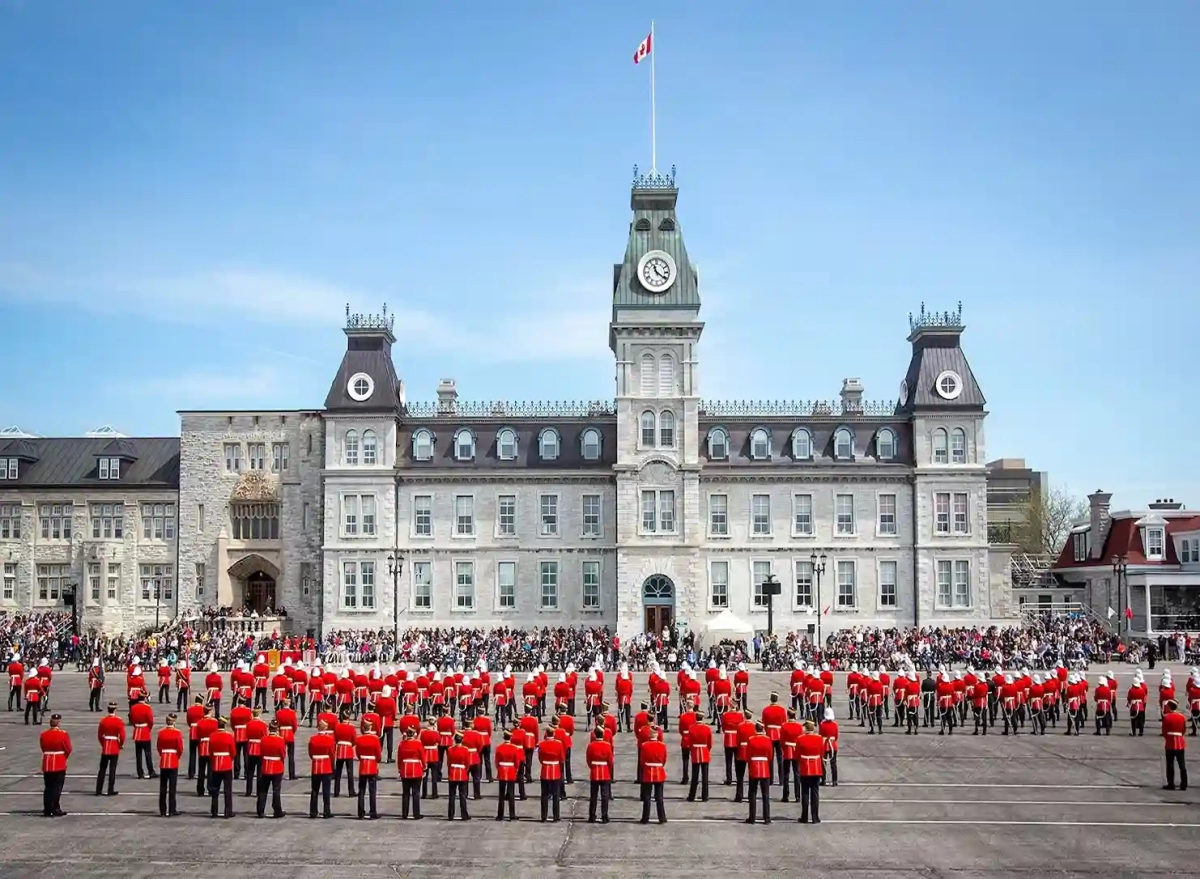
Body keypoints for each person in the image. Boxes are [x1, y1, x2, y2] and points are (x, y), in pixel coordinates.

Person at [39, 712, 71, 817]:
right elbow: (68, 749)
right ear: (58, 723)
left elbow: (43, 748)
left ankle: (47, 808)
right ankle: (55, 807)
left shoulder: (44, 734)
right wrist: (63, 757)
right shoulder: (63, 734)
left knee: (48, 787)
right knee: (57, 787)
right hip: (59, 762)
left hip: (47, 762)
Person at [795, 720, 824, 824]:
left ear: (806, 729)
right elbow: (822, 753)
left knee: (805, 793)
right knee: (815, 794)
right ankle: (815, 817)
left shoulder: (800, 739)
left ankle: (804, 816)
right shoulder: (819, 738)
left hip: (805, 768)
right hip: (816, 768)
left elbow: (797, 754)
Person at [257, 720, 287, 819]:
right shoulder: (280, 740)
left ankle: (260, 810)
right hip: (277, 767)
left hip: (266, 766)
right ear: (277, 729)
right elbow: (283, 754)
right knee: (276, 790)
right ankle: (277, 809)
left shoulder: (263, 739)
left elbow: (261, 753)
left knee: (263, 790)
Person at [156, 713, 184, 817]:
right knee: (172, 787)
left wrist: (162, 755)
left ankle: (163, 810)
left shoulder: (161, 733)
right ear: (174, 722)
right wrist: (177, 757)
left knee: (163, 787)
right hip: (173, 759)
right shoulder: (177, 733)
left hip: (164, 760)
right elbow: (180, 748)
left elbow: (158, 746)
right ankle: (172, 809)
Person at [207, 718, 236, 819]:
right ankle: (228, 811)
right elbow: (233, 752)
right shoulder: (229, 736)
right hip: (226, 764)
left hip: (216, 764)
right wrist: (229, 758)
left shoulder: (212, 736)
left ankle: (214, 811)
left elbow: (210, 751)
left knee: (215, 790)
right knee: (228, 790)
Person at [745, 722, 773, 824]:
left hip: (754, 766)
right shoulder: (768, 739)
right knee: (765, 794)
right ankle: (767, 818)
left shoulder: (751, 739)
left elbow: (748, 754)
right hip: (764, 766)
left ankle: (752, 818)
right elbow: (770, 755)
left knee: (752, 793)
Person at [95, 702, 126, 796]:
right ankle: (110, 789)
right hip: (114, 746)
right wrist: (120, 744)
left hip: (106, 746)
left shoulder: (103, 720)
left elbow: (100, 735)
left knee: (102, 769)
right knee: (112, 769)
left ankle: (98, 789)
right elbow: (122, 735)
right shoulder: (118, 721)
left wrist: (103, 744)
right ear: (115, 710)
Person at [638, 726, 667, 824]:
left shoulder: (644, 745)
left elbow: (642, 760)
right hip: (659, 771)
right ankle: (661, 818)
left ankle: (645, 818)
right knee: (659, 797)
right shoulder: (662, 745)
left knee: (647, 797)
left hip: (648, 771)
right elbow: (664, 760)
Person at [585, 726, 613, 823]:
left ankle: (592, 816)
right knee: (605, 796)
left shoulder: (591, 746)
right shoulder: (607, 745)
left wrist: (592, 767)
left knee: (593, 795)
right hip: (604, 771)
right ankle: (604, 816)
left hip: (595, 771)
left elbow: (588, 760)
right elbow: (610, 761)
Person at [308, 718, 335, 819]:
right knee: (326, 790)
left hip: (316, 766)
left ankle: (313, 811)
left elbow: (310, 753)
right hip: (326, 766)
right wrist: (332, 765)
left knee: (314, 790)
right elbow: (332, 754)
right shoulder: (329, 739)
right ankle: (326, 811)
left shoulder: (313, 739)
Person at [355, 718, 382, 819]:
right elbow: (378, 754)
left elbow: (357, 753)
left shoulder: (359, 739)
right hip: (372, 765)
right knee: (372, 791)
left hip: (363, 765)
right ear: (370, 727)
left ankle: (360, 812)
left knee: (361, 791)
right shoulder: (375, 739)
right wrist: (377, 760)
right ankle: (372, 811)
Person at [537, 727, 565, 822]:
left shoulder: (542, 744)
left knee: (544, 795)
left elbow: (540, 758)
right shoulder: (559, 744)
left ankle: (543, 816)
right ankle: (556, 816)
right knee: (556, 795)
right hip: (555, 770)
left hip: (545, 770)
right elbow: (561, 758)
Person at [493, 729, 522, 821]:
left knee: (501, 794)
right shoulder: (514, 748)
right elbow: (517, 762)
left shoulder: (499, 748)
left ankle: (500, 815)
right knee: (511, 794)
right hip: (510, 770)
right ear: (511, 737)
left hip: (502, 770)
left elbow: (496, 762)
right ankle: (512, 814)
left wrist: (499, 768)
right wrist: (516, 770)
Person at [397, 727, 425, 819]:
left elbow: (399, 758)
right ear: (414, 734)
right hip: (416, 769)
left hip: (405, 769)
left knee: (405, 793)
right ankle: (416, 814)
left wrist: (400, 768)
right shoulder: (418, 743)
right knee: (416, 793)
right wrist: (424, 767)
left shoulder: (402, 744)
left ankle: (404, 813)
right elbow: (422, 757)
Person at [686, 709, 713, 803]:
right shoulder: (707, 728)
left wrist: (692, 750)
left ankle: (691, 796)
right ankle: (705, 796)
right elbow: (710, 743)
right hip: (704, 751)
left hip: (695, 752)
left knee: (695, 776)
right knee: (705, 776)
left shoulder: (691, 728)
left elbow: (689, 742)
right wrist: (706, 749)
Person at [1162, 700, 1188, 791]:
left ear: (1169, 707)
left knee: (1170, 764)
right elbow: (1184, 730)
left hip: (1170, 742)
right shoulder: (1182, 717)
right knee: (1182, 764)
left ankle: (1171, 783)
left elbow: (1164, 731)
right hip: (1180, 742)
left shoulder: (1167, 717)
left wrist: (1167, 738)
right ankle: (1184, 783)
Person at [129, 694, 157, 779]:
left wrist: (136, 726)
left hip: (137, 731)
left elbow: (132, 719)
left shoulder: (133, 707)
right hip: (145, 731)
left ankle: (140, 772)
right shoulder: (147, 708)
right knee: (148, 753)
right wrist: (148, 728)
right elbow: (150, 721)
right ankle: (151, 771)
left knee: (138, 754)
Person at [445, 732, 471, 821]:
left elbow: (448, 763)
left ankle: (450, 815)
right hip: (462, 773)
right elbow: (468, 764)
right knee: (462, 796)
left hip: (453, 773)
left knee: (451, 796)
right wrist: (465, 770)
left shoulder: (450, 749)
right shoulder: (465, 750)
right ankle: (464, 815)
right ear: (462, 740)